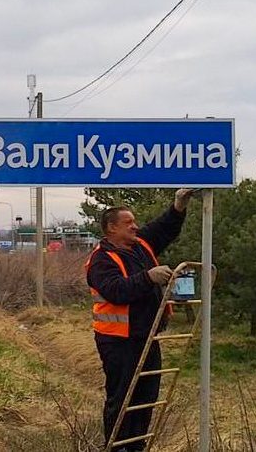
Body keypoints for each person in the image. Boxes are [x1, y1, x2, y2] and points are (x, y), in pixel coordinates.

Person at [86, 189, 195, 452]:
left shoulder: (140, 245)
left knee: (146, 396)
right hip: (118, 341)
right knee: (123, 397)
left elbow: (164, 228)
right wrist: (148, 277)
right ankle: (117, 447)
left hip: (147, 335)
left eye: (135, 222)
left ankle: (137, 445)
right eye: (128, 223)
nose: (135, 226)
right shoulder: (101, 260)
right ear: (111, 228)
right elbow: (116, 290)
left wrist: (178, 206)